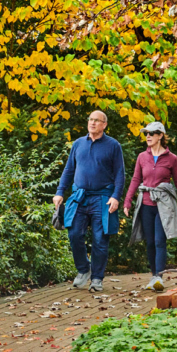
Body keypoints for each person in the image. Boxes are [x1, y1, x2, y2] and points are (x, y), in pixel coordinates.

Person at [53, 110, 126, 293]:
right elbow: (69, 170)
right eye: (90, 119)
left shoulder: (113, 146)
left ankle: (97, 279)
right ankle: (84, 269)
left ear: (104, 125)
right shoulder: (78, 144)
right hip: (79, 197)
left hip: (103, 198)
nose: (92, 123)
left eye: (97, 120)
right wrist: (60, 192)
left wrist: (116, 197)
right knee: (74, 233)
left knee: (100, 239)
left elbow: (120, 174)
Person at [123, 121, 177, 292]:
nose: (148, 136)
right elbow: (136, 180)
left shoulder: (172, 159)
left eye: (152, 133)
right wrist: (127, 201)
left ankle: (159, 276)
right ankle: (154, 275)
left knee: (160, 240)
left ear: (160, 135)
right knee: (151, 242)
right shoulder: (142, 157)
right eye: (146, 133)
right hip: (145, 204)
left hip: (164, 205)